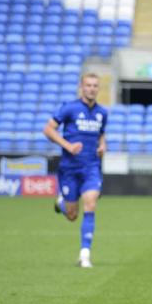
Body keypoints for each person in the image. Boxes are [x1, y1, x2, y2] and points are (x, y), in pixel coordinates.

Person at [43, 72, 108, 268]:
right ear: (81, 87)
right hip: (69, 169)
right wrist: (67, 146)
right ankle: (61, 202)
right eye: (88, 85)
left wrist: (103, 146)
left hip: (91, 168)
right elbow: (48, 129)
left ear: (98, 88)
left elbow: (102, 134)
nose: (91, 89)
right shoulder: (69, 108)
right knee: (72, 215)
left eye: (95, 85)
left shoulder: (102, 112)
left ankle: (84, 255)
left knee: (90, 203)